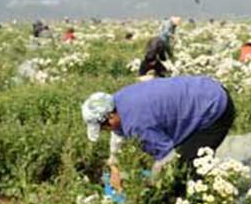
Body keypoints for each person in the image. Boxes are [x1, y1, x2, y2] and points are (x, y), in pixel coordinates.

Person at [81, 76, 235, 191]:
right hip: (205, 89)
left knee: (185, 171)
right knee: (181, 159)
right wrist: (114, 167)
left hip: (215, 108)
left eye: (104, 127)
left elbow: (167, 157)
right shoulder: (118, 101)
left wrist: (152, 186)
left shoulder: (136, 124)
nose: (106, 131)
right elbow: (117, 136)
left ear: (110, 117)